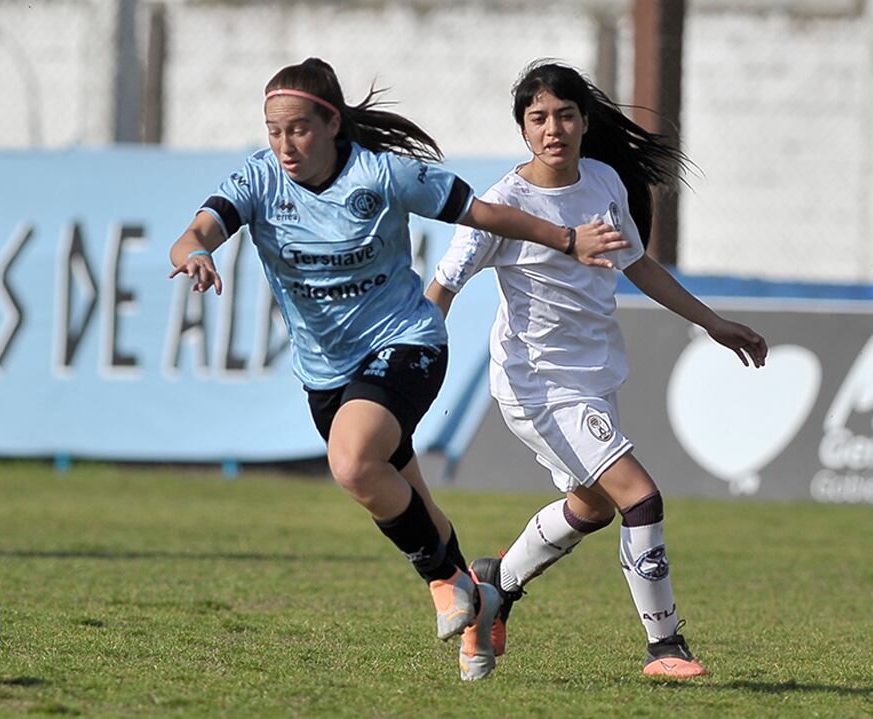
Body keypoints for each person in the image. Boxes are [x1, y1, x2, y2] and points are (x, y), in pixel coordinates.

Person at [168, 57, 626, 681]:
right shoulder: (259, 180)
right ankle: (477, 599)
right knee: (410, 499)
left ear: (331, 123)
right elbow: (196, 230)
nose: (284, 145)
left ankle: (442, 580)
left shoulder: (384, 173)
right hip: (326, 373)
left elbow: (486, 215)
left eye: (298, 129)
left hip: (406, 343)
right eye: (274, 131)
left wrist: (566, 239)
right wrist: (195, 253)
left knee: (353, 463)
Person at [426, 60, 769, 679]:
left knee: (591, 507)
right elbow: (443, 287)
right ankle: (664, 648)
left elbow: (639, 267)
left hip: (593, 377)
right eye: (538, 118)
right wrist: (411, 362)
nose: (552, 128)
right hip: (537, 384)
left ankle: (493, 586)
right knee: (640, 496)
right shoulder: (503, 204)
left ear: (584, 122)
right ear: (523, 131)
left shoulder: (605, 181)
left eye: (564, 115)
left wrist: (713, 323)